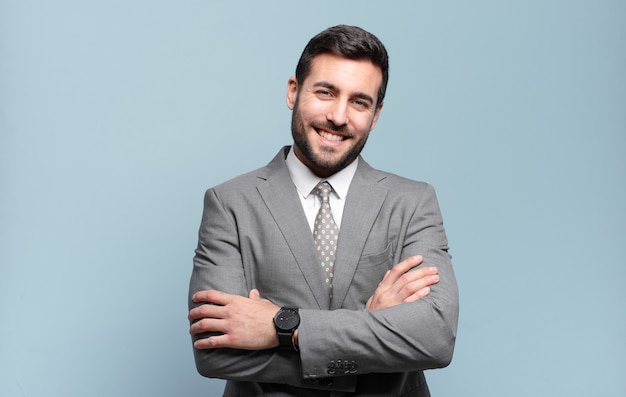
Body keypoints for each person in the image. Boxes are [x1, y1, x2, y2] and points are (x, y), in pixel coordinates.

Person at [188, 24, 459, 396]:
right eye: (326, 93)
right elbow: (215, 353)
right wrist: (373, 328)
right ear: (293, 92)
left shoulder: (412, 202)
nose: (338, 116)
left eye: (359, 102)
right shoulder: (230, 203)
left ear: (376, 115)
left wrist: (282, 326)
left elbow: (435, 338)